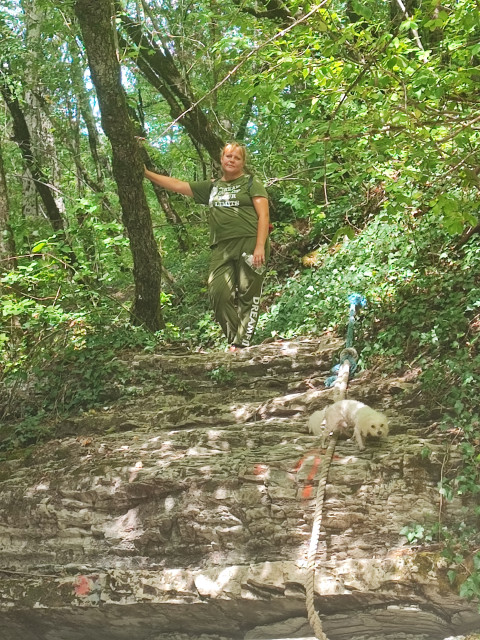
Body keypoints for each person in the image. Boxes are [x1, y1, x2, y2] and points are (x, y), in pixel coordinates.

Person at [144, 142, 270, 351]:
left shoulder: (250, 182)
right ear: (221, 159)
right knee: (217, 293)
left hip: (250, 242)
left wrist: (259, 246)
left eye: (237, 158)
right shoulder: (212, 187)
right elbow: (177, 184)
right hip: (221, 247)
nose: (231, 160)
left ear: (243, 162)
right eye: (228, 156)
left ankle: (240, 345)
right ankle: (236, 339)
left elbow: (264, 215)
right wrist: (147, 174)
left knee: (249, 295)